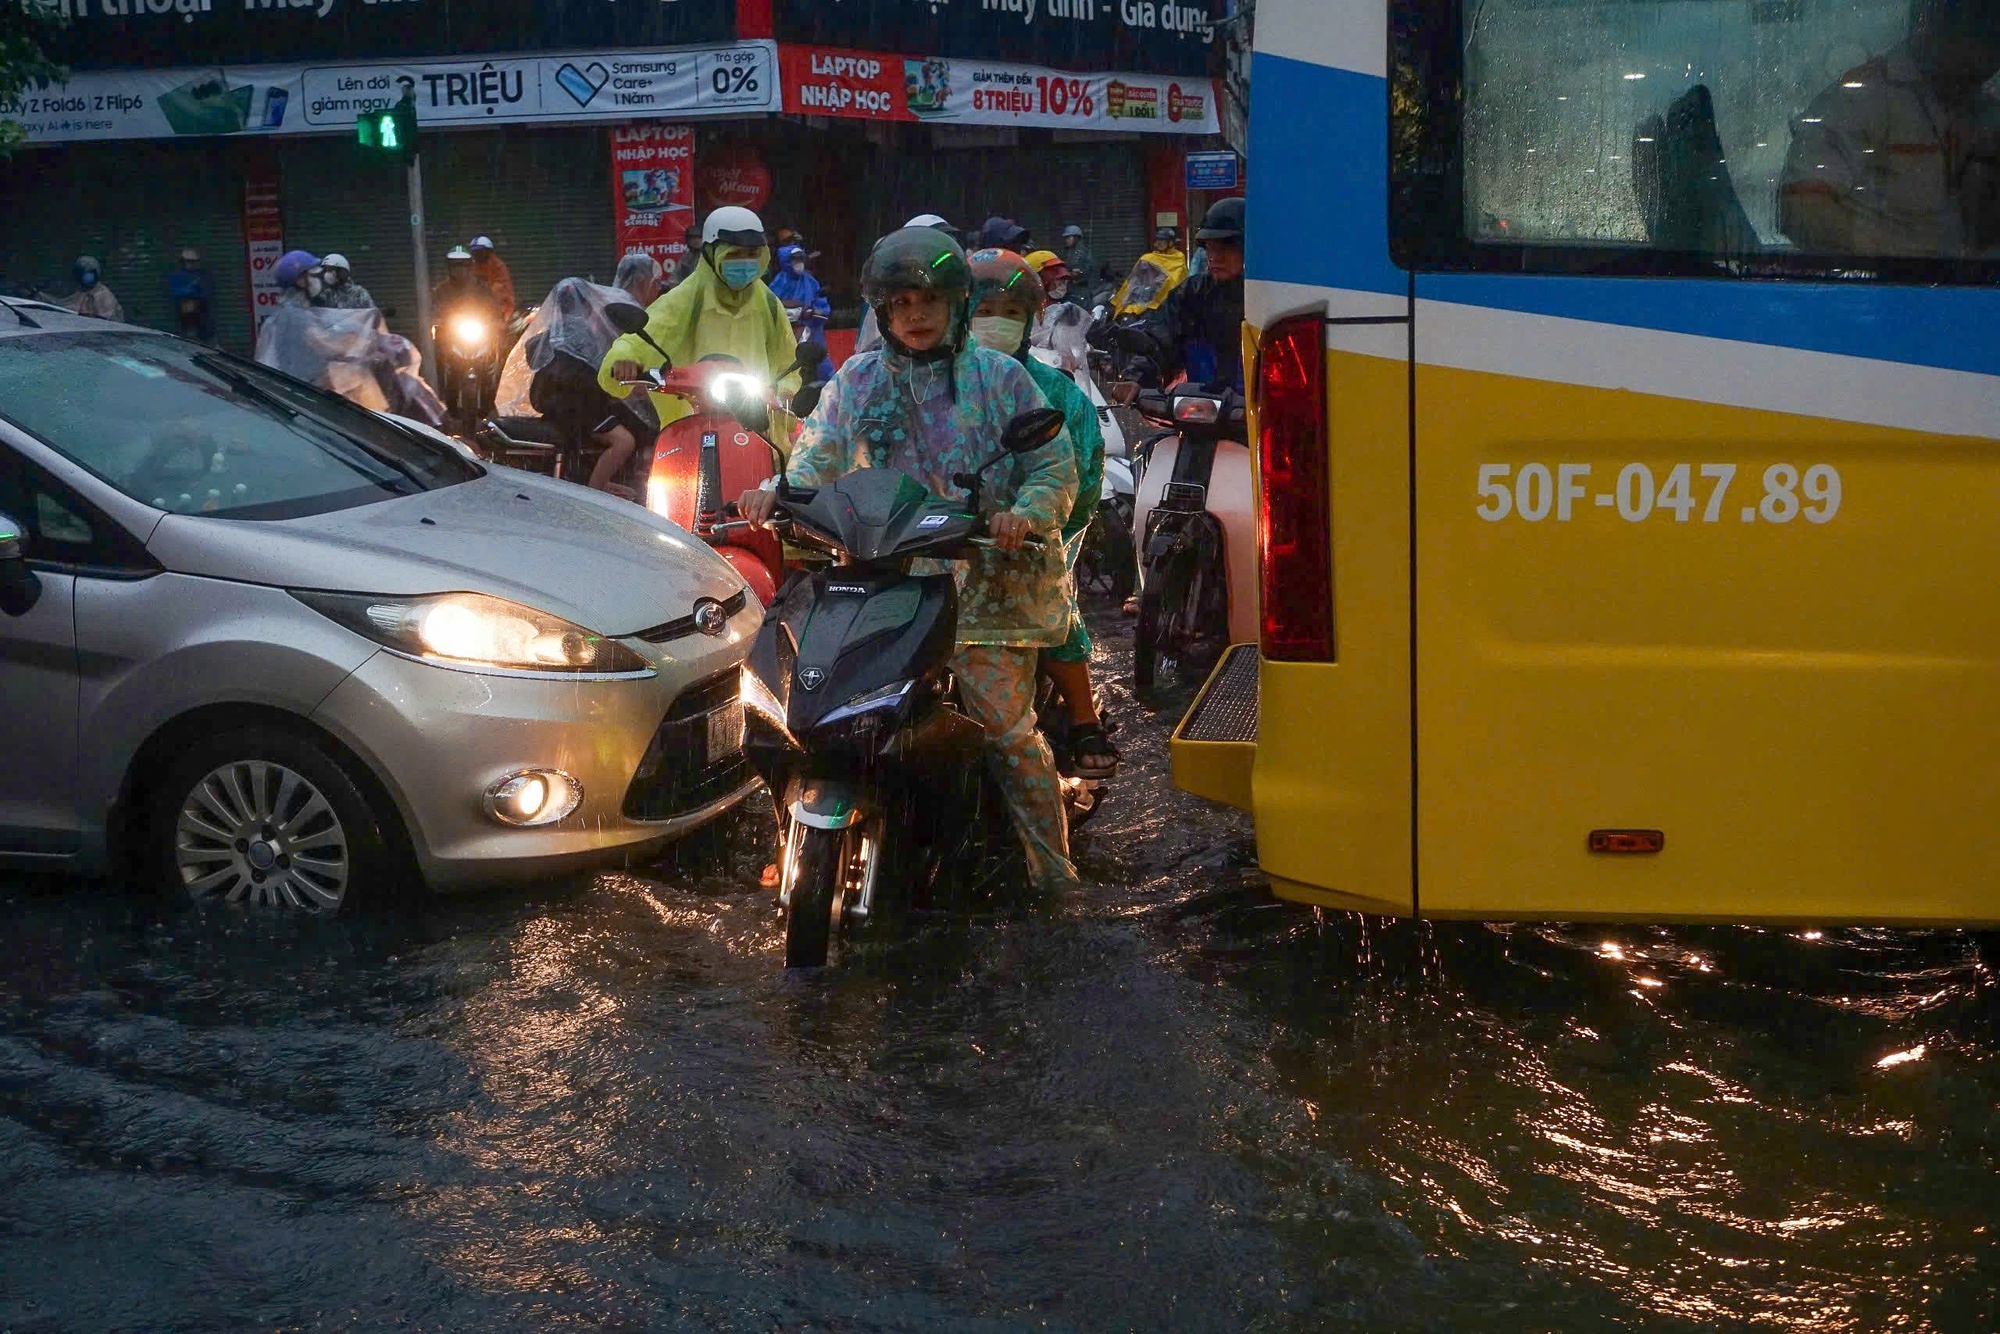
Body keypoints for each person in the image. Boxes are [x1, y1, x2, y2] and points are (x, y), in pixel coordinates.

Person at [738, 227, 1081, 890]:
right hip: (887, 582)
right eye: (900, 304)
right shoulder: (859, 381)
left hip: (988, 586)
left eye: (928, 301)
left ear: (955, 306)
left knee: (1009, 739)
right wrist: (777, 491)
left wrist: (1023, 515)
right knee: (816, 714)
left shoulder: (1001, 378)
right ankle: (801, 843)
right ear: (883, 313)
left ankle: (1055, 878)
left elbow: (1051, 466)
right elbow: (819, 453)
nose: (915, 315)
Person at [968, 248, 1117, 781]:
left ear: (1031, 318)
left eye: (1010, 311)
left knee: (1053, 611)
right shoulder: (933, 386)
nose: (996, 322)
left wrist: (1038, 523)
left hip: (1033, 540)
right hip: (945, 542)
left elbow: (1082, 476)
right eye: (984, 310)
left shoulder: (1056, 393)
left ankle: (1083, 717)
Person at [1778, 0, 2000, 258]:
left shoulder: (1988, 110)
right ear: (1935, 21)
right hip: (1885, 289)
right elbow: (1802, 209)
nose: (1990, 52)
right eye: (1982, 27)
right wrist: (1909, 258)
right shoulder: (1860, 98)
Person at [598, 205, 800, 433]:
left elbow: (789, 363)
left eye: (752, 254)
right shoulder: (685, 299)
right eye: (733, 254)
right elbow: (637, 340)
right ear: (711, 254)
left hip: (759, 432)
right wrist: (623, 361)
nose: (745, 262)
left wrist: (784, 392)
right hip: (691, 428)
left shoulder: (770, 304)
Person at [1158, 197, 1247, 392]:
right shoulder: (1190, 293)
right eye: (1210, 248)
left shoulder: (1269, 297)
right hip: (1202, 409)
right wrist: (1137, 377)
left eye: (1226, 248)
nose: (1215, 257)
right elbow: (1159, 340)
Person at [855, 212, 957, 354]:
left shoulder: (989, 368)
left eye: (932, 299)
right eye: (902, 303)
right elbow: (869, 345)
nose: (916, 314)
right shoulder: (886, 286)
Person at [767, 243, 835, 381]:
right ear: (786, 261)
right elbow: (771, 307)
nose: (799, 264)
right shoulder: (778, 283)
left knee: (821, 367)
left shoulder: (810, 281)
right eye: (795, 260)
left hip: (809, 332)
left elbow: (821, 305)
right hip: (785, 332)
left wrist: (816, 312)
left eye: (801, 260)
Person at [1022, 249, 1091, 373]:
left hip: (1064, 371)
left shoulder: (1066, 311)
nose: (1061, 285)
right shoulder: (1020, 310)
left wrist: (1084, 346)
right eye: (1057, 281)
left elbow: (1074, 343)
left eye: (1063, 281)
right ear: (1037, 281)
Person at [1110, 225, 1188, 319]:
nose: (1158, 243)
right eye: (1157, 240)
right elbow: (1133, 279)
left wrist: (1161, 285)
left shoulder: (1178, 257)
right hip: (1145, 296)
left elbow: (1176, 280)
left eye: (1162, 240)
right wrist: (1123, 296)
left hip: (1165, 302)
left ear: (1171, 242)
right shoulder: (1148, 258)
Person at [166, 247, 213, 340]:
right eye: (188, 261)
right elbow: (175, 292)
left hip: (201, 312)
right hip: (182, 312)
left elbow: (207, 292)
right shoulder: (177, 276)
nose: (191, 264)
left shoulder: (202, 275)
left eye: (193, 262)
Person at [467, 235, 516, 319]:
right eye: (475, 252)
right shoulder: (471, 266)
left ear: (488, 252)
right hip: (474, 310)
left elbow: (501, 288)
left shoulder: (498, 266)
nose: (477, 255)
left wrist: (485, 294)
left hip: (499, 309)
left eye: (480, 252)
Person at [62, 255, 123, 321]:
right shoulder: (82, 292)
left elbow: (105, 322)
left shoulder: (103, 295)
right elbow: (67, 306)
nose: (87, 277)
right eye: (83, 274)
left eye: (90, 274)